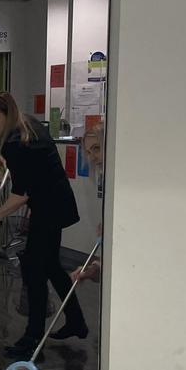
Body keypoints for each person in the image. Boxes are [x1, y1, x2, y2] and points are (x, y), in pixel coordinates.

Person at [0, 91, 87, 359]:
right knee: (49, 265)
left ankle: (31, 340)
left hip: (49, 208)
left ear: (7, 114)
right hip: (55, 204)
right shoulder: (28, 125)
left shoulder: (17, 142)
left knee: (34, 271)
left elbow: (21, 195)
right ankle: (76, 321)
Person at [72, 121, 106, 283]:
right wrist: (92, 270)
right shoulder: (104, 181)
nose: (92, 157)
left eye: (97, 148)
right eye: (88, 152)